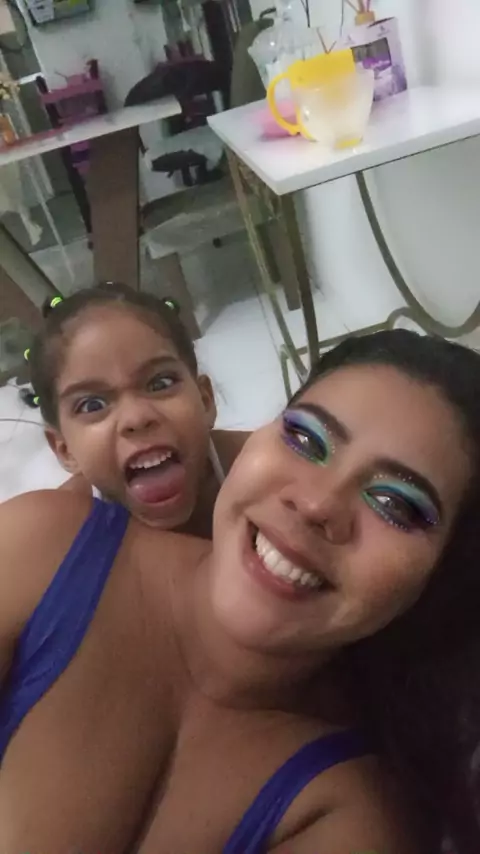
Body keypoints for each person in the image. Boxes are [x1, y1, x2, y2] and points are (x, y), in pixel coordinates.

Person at [1, 329, 480, 854]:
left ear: (441, 574)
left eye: (397, 504)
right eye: (305, 439)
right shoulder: (40, 549)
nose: (317, 504)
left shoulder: (358, 816)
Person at [25, 282, 247, 535]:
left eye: (160, 383)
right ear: (64, 449)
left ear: (205, 400)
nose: (137, 418)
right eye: (92, 405)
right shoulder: (63, 533)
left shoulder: (263, 471)